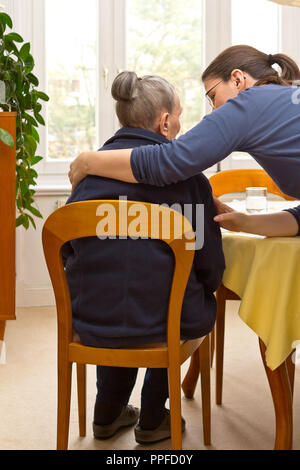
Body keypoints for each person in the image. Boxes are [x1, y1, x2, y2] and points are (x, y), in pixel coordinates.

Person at [62, 71, 225, 445]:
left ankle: (107, 411)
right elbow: (210, 265)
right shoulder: (188, 180)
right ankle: (154, 414)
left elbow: (67, 250)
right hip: (163, 322)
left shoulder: (85, 176)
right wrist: (208, 287)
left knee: (118, 293)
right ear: (165, 121)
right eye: (180, 115)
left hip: (91, 318)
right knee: (174, 303)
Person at [68, 45, 300, 234]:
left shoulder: (250, 103)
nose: (213, 111)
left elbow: (169, 161)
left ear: (237, 79)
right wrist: (245, 223)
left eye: (212, 96)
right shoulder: (284, 101)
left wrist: (88, 161)